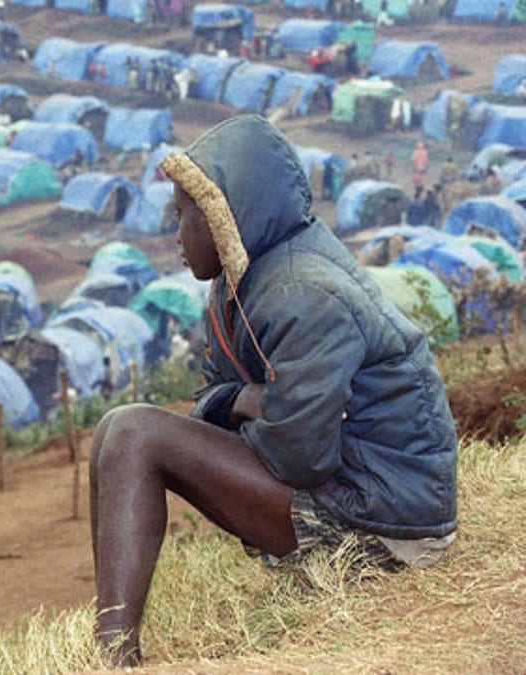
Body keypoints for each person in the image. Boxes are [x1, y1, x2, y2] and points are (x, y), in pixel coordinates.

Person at [88, 115, 457, 666]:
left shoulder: (300, 292)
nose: (176, 234)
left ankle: (112, 655)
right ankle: (110, 640)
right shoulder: (242, 281)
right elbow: (215, 398)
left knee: (135, 433)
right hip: (359, 489)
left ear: (226, 217)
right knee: (113, 432)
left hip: (386, 530)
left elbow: (300, 456)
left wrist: (252, 408)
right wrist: (245, 402)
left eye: (184, 216)